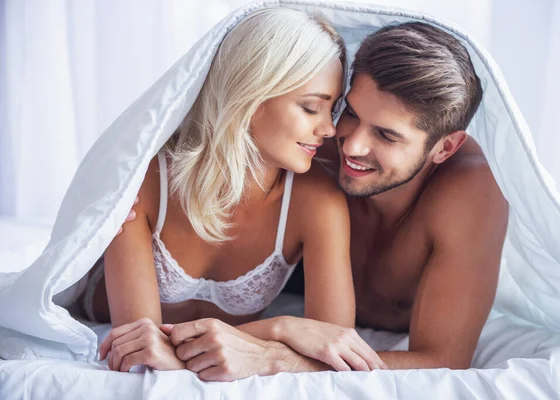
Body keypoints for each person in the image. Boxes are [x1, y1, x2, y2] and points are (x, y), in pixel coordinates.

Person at [115, 22, 509, 379]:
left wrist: (276, 354)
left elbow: (443, 359)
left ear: (445, 147)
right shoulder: (309, 149)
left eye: (386, 136)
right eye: (349, 112)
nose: (348, 142)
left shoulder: (468, 192)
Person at [80, 8, 386, 381]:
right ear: (250, 95)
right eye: (311, 108)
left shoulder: (317, 201)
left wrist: (276, 331)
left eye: (332, 108)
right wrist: (279, 331)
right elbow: (141, 347)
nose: (328, 129)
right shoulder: (146, 179)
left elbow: (333, 347)